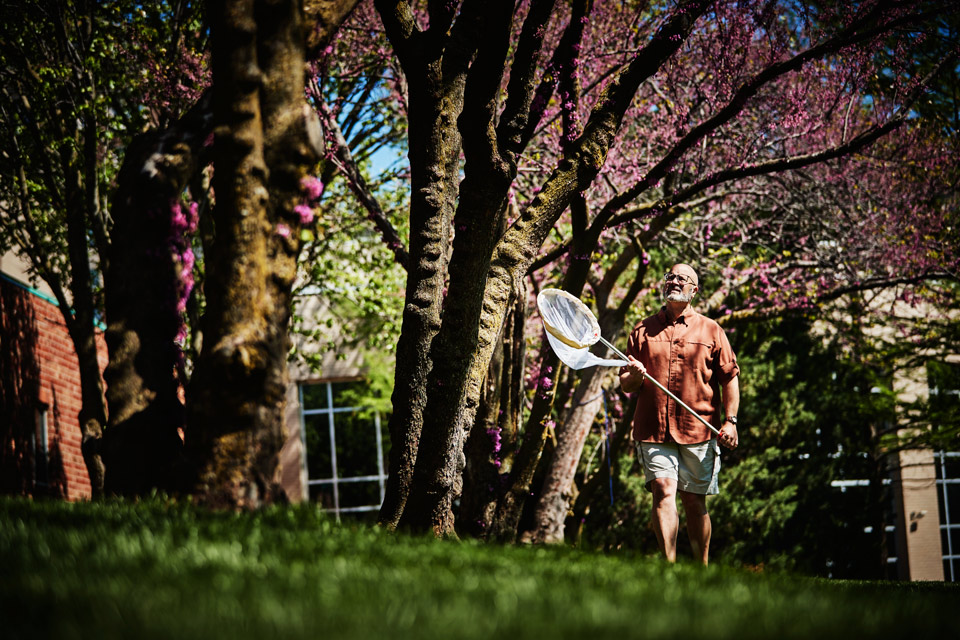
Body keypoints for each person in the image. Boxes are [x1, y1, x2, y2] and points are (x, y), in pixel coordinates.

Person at [619, 263, 740, 566]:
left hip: (698, 429)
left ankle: (701, 568)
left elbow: (730, 378)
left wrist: (731, 421)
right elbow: (626, 384)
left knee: (693, 502)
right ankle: (669, 568)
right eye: (670, 276)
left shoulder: (712, 330)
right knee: (662, 489)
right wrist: (635, 375)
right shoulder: (643, 329)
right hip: (653, 428)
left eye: (681, 279)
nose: (673, 281)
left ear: (694, 290)